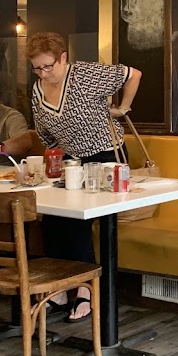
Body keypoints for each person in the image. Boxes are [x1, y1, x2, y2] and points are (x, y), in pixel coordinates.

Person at [26, 31, 142, 321]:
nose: (43, 73)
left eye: (48, 66)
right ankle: (59, 288)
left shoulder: (85, 75)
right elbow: (44, 131)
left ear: (63, 58)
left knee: (77, 219)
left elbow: (133, 74)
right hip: (71, 160)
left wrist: (122, 108)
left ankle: (86, 289)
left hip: (105, 158)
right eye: (37, 68)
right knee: (52, 220)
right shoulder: (38, 89)